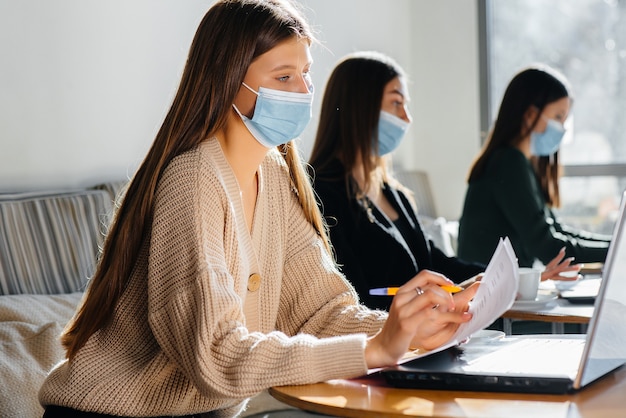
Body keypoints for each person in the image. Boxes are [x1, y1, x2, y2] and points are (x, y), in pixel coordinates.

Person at [38, 2, 480, 417]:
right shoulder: (192, 179)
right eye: (283, 77)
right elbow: (215, 354)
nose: (305, 91)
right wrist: (375, 350)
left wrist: (410, 331)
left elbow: (321, 313)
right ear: (228, 80)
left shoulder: (273, 176)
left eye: (305, 74)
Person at [309, 51, 486, 311]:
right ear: (361, 105)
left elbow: (431, 262)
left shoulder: (394, 194)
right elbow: (350, 294)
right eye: (396, 103)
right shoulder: (321, 194)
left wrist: (495, 277)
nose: (407, 117)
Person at [457, 64, 611, 271]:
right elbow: (548, 247)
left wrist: (616, 246)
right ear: (530, 114)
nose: (562, 128)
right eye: (558, 117)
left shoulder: (521, 163)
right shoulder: (507, 163)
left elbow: (556, 231)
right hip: (489, 293)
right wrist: (616, 250)